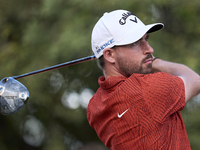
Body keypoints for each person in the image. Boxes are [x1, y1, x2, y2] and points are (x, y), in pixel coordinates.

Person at [87, 9, 200, 150]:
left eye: (145, 39)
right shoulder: (145, 90)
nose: (150, 49)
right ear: (109, 55)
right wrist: (156, 62)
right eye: (135, 43)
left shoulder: (94, 107)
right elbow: (195, 80)